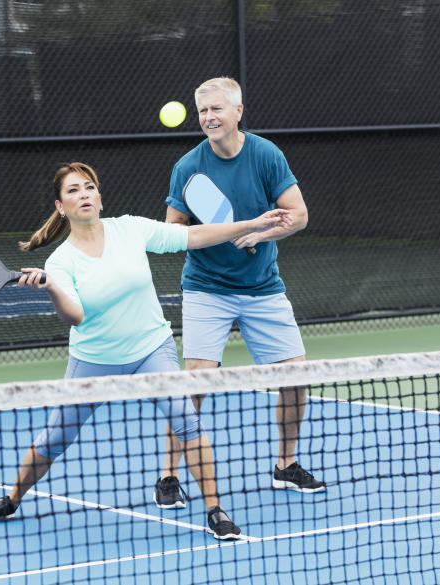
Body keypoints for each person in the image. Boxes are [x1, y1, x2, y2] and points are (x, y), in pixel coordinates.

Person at [0, 162, 294, 540]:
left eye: (89, 187)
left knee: (187, 421)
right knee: (56, 437)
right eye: (73, 191)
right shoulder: (60, 261)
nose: (83, 194)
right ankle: (11, 499)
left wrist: (252, 225)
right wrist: (51, 286)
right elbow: (75, 316)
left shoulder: (130, 229)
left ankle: (215, 509)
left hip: (151, 348)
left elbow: (195, 236)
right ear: (60, 206)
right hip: (95, 359)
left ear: (100, 198)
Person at [153, 77, 326, 510]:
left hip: (263, 287)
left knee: (295, 379)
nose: (209, 118)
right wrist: (219, 233)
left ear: (238, 112)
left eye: (217, 110)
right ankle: (169, 474)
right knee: (193, 385)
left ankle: (285, 464)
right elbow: (172, 231)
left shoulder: (266, 155)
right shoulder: (188, 167)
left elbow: (299, 215)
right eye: (203, 112)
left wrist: (260, 232)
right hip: (207, 288)